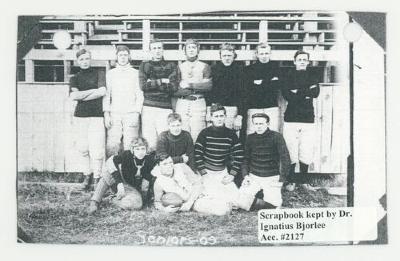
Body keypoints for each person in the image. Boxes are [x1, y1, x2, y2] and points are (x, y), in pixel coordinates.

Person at [194, 103, 271, 212]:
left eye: (221, 116)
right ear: (211, 117)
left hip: (222, 173)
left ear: (225, 117)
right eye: (216, 116)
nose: (219, 119)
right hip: (207, 173)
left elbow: (239, 155)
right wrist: (204, 174)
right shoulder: (204, 133)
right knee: (218, 195)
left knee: (237, 196)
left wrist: (231, 175)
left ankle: (271, 208)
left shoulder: (230, 134)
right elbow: (197, 154)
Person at [281, 50, 320, 191]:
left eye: (305, 59)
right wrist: (305, 92)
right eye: (300, 59)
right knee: (291, 150)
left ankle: (304, 181)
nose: (302, 61)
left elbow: (315, 93)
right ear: (295, 61)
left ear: (308, 62)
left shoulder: (313, 75)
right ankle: (291, 181)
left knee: (306, 149)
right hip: (291, 118)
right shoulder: (288, 76)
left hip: (308, 118)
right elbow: (287, 95)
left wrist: (297, 92)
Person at [88, 137, 157, 214]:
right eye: (137, 149)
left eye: (143, 149)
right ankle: (94, 202)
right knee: (107, 172)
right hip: (120, 181)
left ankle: (112, 199)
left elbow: (146, 183)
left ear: (146, 149)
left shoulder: (149, 160)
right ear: (132, 149)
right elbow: (110, 162)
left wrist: (144, 198)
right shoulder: (127, 155)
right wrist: (119, 183)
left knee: (137, 205)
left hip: (131, 188)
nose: (140, 152)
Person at [69, 49, 106, 191]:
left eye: (87, 58)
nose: (84, 61)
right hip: (80, 117)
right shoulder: (75, 77)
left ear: (90, 59)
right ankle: (87, 176)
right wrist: (93, 92)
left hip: (96, 116)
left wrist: (82, 95)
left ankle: (97, 178)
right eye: (81, 59)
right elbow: (74, 96)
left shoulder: (99, 74)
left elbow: (102, 91)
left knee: (97, 150)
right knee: (83, 149)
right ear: (78, 61)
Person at [241, 113, 291, 208]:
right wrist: (245, 176)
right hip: (254, 176)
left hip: (271, 177)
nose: (258, 126)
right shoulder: (250, 138)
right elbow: (245, 159)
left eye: (261, 124)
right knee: (241, 201)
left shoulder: (276, 137)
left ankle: (262, 202)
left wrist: (281, 179)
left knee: (274, 205)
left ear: (267, 124)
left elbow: (285, 159)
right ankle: (261, 202)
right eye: (256, 124)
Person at [104, 45, 144, 157]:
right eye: (120, 55)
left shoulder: (135, 73)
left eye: (125, 55)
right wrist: (106, 114)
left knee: (131, 144)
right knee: (113, 143)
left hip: (131, 113)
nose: (123, 57)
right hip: (114, 113)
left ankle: (130, 173)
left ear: (129, 57)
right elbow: (107, 95)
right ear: (116, 57)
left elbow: (139, 95)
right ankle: (112, 172)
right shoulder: (111, 74)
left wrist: (137, 113)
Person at [139, 39, 179, 151]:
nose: (157, 51)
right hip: (148, 108)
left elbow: (174, 87)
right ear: (150, 51)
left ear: (163, 49)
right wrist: (161, 81)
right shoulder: (144, 65)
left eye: (159, 48)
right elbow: (143, 86)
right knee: (149, 143)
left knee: (164, 141)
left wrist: (152, 83)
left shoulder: (171, 65)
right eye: (154, 48)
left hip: (165, 108)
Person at [174, 39, 212, 141]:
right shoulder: (179, 67)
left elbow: (208, 86)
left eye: (194, 47)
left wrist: (189, 85)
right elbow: (176, 89)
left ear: (198, 50)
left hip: (198, 102)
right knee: (182, 133)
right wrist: (198, 87)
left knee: (198, 134)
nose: (191, 50)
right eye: (189, 48)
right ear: (185, 51)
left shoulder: (204, 66)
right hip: (183, 102)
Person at [208, 43, 245, 138]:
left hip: (233, 109)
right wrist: (209, 111)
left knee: (231, 138)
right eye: (224, 55)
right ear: (220, 56)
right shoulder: (214, 69)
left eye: (229, 55)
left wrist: (240, 116)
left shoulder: (240, 70)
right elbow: (210, 92)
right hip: (217, 109)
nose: (227, 58)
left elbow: (243, 94)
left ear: (234, 56)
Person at [244, 43, 281, 134]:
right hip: (254, 107)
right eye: (261, 54)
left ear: (270, 54)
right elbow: (249, 88)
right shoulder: (249, 69)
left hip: (271, 107)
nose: (264, 56)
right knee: (252, 134)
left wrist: (260, 83)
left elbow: (277, 85)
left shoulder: (276, 68)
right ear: (257, 54)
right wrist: (270, 81)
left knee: (272, 134)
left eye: (266, 53)